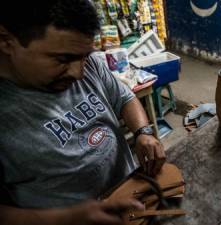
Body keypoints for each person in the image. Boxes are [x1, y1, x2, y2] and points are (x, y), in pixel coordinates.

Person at [0, 1, 165, 224]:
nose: (78, 73)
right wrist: (68, 218)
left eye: (85, 57)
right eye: (62, 60)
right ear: (6, 41)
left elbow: (125, 97)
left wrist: (143, 132)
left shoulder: (88, 63)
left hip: (132, 197)